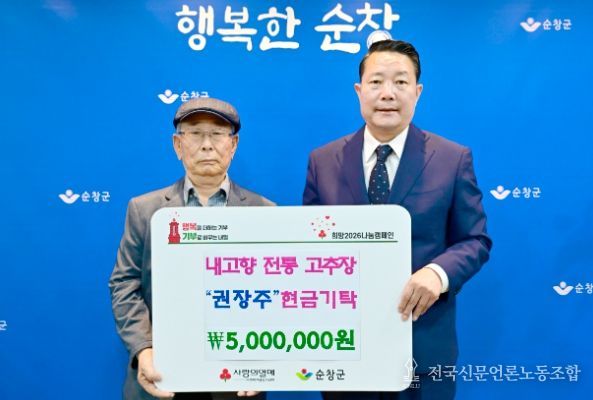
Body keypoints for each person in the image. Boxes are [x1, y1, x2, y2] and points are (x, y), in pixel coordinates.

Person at [303, 40, 492, 399]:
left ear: (417, 92)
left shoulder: (452, 159)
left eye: (401, 82)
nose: (387, 93)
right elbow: (308, 244)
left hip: (423, 346)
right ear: (359, 91)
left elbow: (475, 240)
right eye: (376, 82)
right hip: (345, 349)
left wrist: (437, 274)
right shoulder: (323, 161)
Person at [110, 97, 273, 400]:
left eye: (218, 134)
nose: (207, 145)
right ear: (178, 145)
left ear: (233, 145)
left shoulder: (264, 211)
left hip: (235, 382)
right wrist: (144, 348)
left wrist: (264, 360)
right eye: (196, 134)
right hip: (161, 375)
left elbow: (276, 293)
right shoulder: (145, 210)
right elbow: (124, 284)